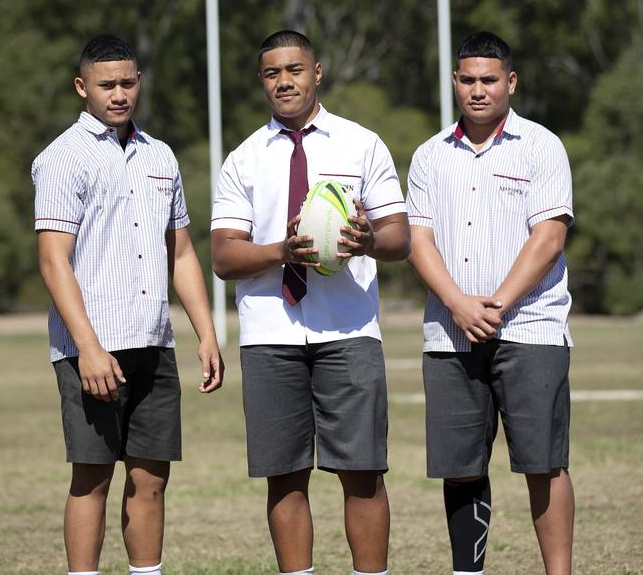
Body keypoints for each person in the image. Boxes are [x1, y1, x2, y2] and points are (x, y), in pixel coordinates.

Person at [210, 30, 410, 575]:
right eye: (272, 73)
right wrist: (283, 250)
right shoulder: (243, 159)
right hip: (271, 335)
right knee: (284, 474)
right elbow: (224, 257)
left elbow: (400, 238)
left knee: (362, 471)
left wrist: (365, 240)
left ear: (316, 73)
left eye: (294, 70)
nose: (284, 81)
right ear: (261, 81)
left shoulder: (361, 144)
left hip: (349, 330)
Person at [32, 34, 224, 575]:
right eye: (106, 84)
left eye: (127, 82)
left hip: (153, 342)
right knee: (92, 477)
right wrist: (88, 348)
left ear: (139, 81)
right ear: (82, 87)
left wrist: (206, 333)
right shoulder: (61, 159)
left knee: (151, 479)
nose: (119, 94)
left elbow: (180, 251)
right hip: (91, 348)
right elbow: (53, 262)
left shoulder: (160, 156)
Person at [407, 31, 575, 575]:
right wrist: (458, 305)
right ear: (455, 82)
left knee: (543, 464)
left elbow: (549, 236)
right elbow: (418, 240)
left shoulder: (542, 146)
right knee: (460, 468)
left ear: (511, 82)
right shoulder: (430, 156)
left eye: (489, 80)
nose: (478, 91)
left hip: (531, 330)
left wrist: (494, 304)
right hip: (450, 334)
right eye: (468, 80)